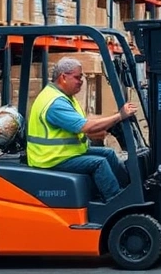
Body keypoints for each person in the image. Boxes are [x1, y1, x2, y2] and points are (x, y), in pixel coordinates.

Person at [26, 57, 138, 202]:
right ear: (63, 77)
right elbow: (86, 127)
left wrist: (110, 121)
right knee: (99, 163)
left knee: (109, 153)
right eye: (77, 77)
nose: (81, 81)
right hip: (51, 159)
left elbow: (85, 123)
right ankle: (116, 202)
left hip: (65, 153)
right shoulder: (55, 103)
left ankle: (129, 192)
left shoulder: (64, 97)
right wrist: (119, 116)